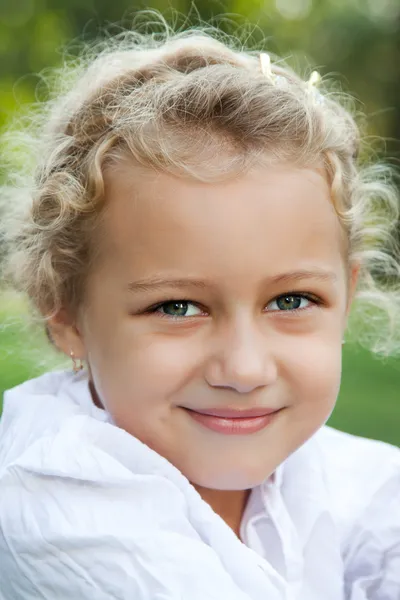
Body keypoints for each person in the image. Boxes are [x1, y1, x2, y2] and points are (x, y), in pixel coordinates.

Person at [0, 17, 399, 600]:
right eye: (178, 306)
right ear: (64, 314)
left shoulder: (330, 468)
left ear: (346, 297)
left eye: (292, 300)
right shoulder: (54, 498)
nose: (244, 369)